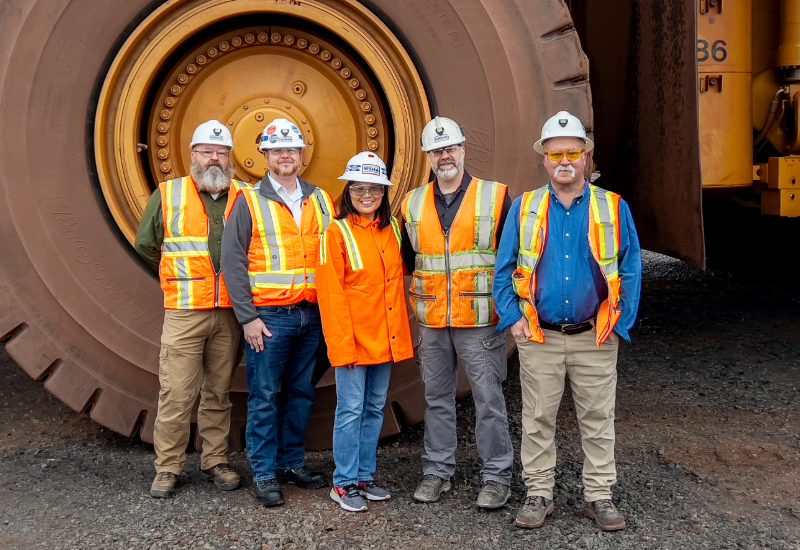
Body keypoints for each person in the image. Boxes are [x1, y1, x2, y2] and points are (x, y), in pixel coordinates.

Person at [493, 111, 642, 531]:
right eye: (556, 153)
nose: (565, 161)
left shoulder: (613, 206)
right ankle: (539, 493)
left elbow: (630, 268)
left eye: (573, 152)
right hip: (538, 334)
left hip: (594, 335)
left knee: (597, 419)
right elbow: (503, 269)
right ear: (544, 158)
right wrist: (512, 318)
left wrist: (620, 321)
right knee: (537, 418)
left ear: (586, 157)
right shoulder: (525, 208)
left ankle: (600, 497)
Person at [220, 118, 335, 507]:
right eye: (277, 150)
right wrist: (248, 318)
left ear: (302, 155)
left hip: (312, 314)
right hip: (270, 318)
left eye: (292, 149)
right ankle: (266, 472)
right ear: (265, 156)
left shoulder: (320, 198)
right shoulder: (249, 201)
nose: (286, 156)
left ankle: (290, 463)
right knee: (266, 396)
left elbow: (332, 255)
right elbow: (233, 261)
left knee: (301, 393)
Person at [401, 116, 514, 509]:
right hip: (433, 322)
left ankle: (497, 477)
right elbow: (408, 262)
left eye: (449, 147)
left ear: (464, 150)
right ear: (428, 157)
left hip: (479, 321)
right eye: (436, 149)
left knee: (488, 399)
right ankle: (437, 471)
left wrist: (512, 314)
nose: (444, 155)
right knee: (437, 399)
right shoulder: (411, 204)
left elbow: (510, 261)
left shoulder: (496, 197)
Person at [135, 120, 250, 498]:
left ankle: (215, 461)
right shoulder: (168, 194)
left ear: (230, 158)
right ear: (193, 157)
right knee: (177, 392)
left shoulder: (246, 196)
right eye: (206, 151)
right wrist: (176, 278)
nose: (213, 158)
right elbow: (148, 244)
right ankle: (168, 467)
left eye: (220, 152)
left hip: (230, 313)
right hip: (186, 312)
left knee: (219, 392)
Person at [316, 153, 414, 512]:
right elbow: (331, 296)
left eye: (374, 188)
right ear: (349, 192)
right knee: (351, 410)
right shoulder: (336, 234)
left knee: (373, 409)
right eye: (359, 188)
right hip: (355, 342)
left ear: (384, 193)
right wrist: (343, 348)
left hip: (386, 340)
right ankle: (343, 483)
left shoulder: (394, 231)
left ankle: (363, 476)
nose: (366, 195)